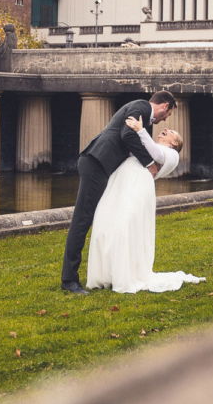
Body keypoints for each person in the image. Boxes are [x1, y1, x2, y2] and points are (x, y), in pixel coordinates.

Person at [61, 90, 176, 293]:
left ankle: (107, 271)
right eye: (168, 114)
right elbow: (126, 134)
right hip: (96, 162)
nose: (165, 119)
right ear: (165, 106)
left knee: (96, 218)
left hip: (104, 167)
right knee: (82, 219)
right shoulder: (141, 106)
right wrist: (149, 164)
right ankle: (69, 280)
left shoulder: (145, 120)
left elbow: (136, 141)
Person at [86, 115, 205, 294]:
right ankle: (107, 273)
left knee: (125, 225)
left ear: (174, 143)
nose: (165, 130)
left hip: (137, 185)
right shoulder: (150, 146)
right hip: (121, 181)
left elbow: (155, 154)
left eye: (171, 132)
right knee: (107, 222)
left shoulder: (171, 155)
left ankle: (127, 274)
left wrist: (141, 130)